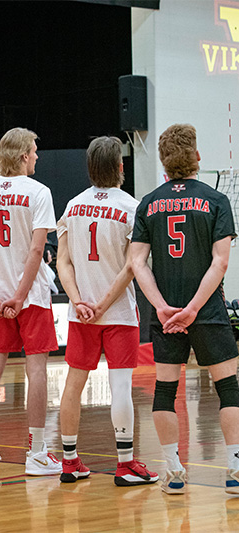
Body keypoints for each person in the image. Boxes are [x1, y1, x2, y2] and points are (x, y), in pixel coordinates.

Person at [130, 123, 239, 495]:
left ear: (163, 160)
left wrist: (162, 307)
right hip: (206, 311)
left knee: (164, 391)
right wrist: (194, 308)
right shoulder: (216, 201)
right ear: (196, 157)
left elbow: (138, 264)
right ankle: (235, 470)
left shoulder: (148, 203)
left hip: (166, 316)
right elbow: (220, 262)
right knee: (229, 389)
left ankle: (174, 471)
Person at [54, 136, 156, 486]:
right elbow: (132, 266)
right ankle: (125, 465)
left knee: (73, 385)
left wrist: (79, 300)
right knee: (121, 386)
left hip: (80, 313)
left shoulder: (72, 206)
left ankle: (69, 461)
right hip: (118, 313)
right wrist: (102, 304)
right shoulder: (132, 207)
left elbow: (62, 262)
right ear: (120, 167)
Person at [0, 127, 61, 475]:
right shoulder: (39, 192)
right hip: (30, 297)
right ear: (23, 155)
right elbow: (38, 249)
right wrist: (21, 295)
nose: (36, 156)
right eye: (34, 151)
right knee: (36, 371)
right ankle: (36, 452)